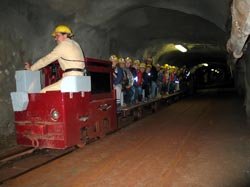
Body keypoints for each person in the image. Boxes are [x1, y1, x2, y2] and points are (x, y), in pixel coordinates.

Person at [24, 25, 85, 93]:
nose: (55, 39)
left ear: (65, 36)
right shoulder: (76, 44)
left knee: (43, 92)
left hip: (70, 78)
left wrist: (31, 68)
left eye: (57, 36)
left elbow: (46, 60)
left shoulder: (63, 45)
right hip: (81, 78)